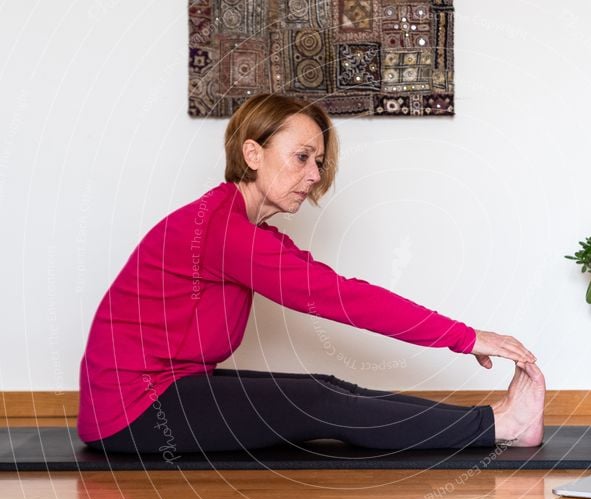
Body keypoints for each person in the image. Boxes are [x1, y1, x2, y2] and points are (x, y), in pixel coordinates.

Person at [77, 93, 546, 456]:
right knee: (316, 403)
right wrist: (465, 337)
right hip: (134, 411)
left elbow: (341, 292)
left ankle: (498, 418)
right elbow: (344, 299)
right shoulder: (222, 231)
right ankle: (499, 426)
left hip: (164, 394)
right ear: (253, 153)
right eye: (302, 157)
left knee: (327, 388)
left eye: (318, 162)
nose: (314, 174)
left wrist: (461, 337)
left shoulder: (242, 229)